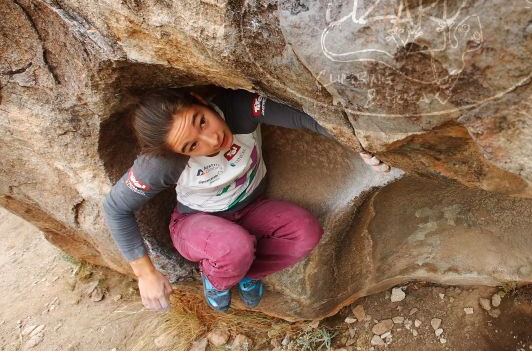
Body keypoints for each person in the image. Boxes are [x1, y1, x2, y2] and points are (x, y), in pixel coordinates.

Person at [102, 87, 390, 312]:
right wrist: (144, 274)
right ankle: (217, 280)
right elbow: (116, 208)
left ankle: (243, 271)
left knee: (305, 232)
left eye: (201, 122)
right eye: (192, 145)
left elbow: (301, 115)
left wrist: (355, 142)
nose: (212, 140)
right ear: (176, 152)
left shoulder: (237, 108)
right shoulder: (161, 165)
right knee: (233, 247)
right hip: (195, 222)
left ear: (198, 99)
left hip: (250, 206)